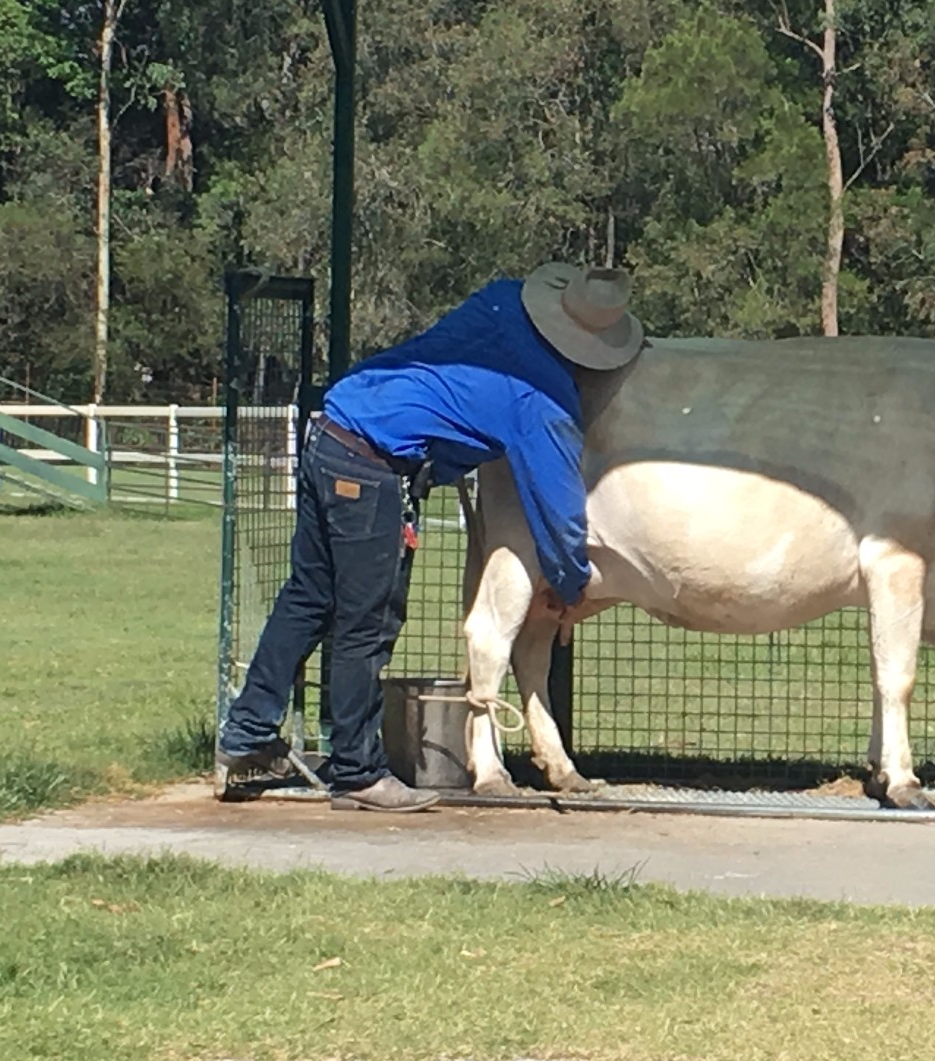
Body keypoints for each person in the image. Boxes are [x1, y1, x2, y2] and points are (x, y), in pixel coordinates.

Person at [216, 264, 644, 810]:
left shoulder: (501, 301)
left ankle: (245, 732)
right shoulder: (543, 400)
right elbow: (559, 512)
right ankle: (357, 772)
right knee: (367, 621)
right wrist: (569, 581)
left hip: (333, 428)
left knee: (307, 597)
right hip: (373, 468)